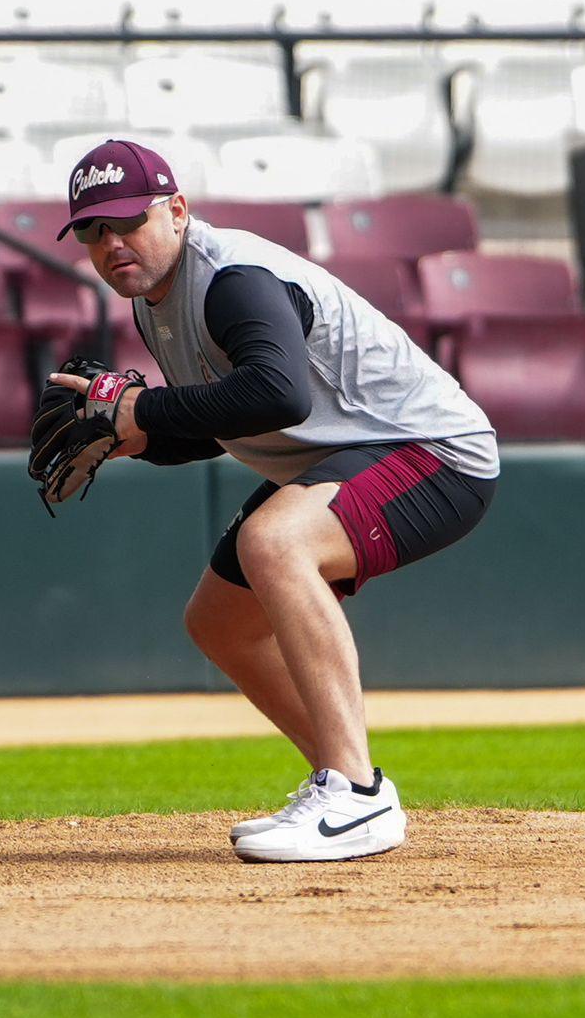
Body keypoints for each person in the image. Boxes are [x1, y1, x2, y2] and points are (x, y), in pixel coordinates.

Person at [50, 139, 499, 863]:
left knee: (275, 543)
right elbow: (230, 418)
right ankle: (349, 783)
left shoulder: (232, 280)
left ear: (177, 211)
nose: (112, 243)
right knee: (219, 622)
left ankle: (354, 793)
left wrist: (146, 410)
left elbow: (278, 394)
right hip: (346, 454)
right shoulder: (155, 302)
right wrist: (142, 439)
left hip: (433, 452)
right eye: (93, 231)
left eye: (129, 220)